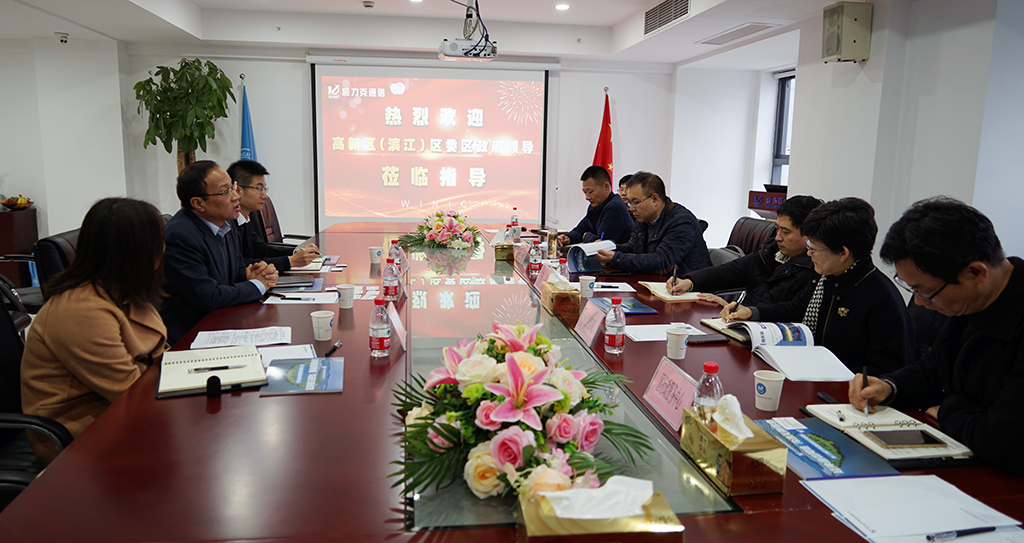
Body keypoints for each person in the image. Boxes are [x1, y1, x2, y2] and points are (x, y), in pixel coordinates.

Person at [850, 197, 1024, 475]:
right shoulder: (969, 302)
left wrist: (947, 409)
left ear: (976, 272)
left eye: (925, 291)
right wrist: (890, 386)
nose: (919, 303)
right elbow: (934, 370)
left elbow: (1005, 441)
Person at [21, 198, 167, 465]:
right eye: (158, 240)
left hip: (121, 415)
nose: (164, 248)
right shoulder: (79, 308)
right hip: (81, 434)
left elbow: (155, 354)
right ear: (137, 249)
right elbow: (129, 392)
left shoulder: (124, 288)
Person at [723, 197, 913, 375]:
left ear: (843, 253)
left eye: (814, 249)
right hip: (806, 372)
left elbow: (885, 373)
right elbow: (795, 309)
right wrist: (752, 312)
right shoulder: (827, 277)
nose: (809, 254)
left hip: (839, 387)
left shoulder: (881, 299)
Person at [161, 160, 278, 344]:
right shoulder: (180, 236)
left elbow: (236, 271)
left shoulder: (225, 223)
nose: (236, 196)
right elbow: (209, 297)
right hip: (193, 337)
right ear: (198, 203)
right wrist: (258, 285)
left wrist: (253, 274)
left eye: (233, 187)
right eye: (225, 192)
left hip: (224, 322)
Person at [666, 195, 823, 309]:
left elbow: (778, 310)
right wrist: (689, 282)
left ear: (808, 235)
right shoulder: (770, 251)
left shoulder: (813, 270)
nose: (778, 237)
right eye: (777, 229)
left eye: (786, 232)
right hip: (739, 321)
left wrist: (734, 308)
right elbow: (730, 271)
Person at [595, 171, 712, 275]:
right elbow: (633, 248)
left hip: (687, 287)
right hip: (656, 282)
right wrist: (607, 248)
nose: (631, 208)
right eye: (629, 203)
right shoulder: (644, 218)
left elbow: (661, 260)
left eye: (636, 202)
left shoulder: (681, 222)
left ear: (655, 199)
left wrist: (616, 258)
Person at [226, 160, 319, 271]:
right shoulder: (226, 225)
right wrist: (290, 261)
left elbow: (261, 250)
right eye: (259, 189)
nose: (265, 196)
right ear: (237, 190)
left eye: (264, 189)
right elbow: (239, 265)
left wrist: (297, 252)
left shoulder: (245, 219)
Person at [557, 165, 633, 247]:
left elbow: (602, 244)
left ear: (606, 187)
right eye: (585, 192)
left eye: (590, 192)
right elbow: (581, 228)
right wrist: (568, 237)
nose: (587, 197)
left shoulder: (614, 207)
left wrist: (586, 236)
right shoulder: (595, 206)